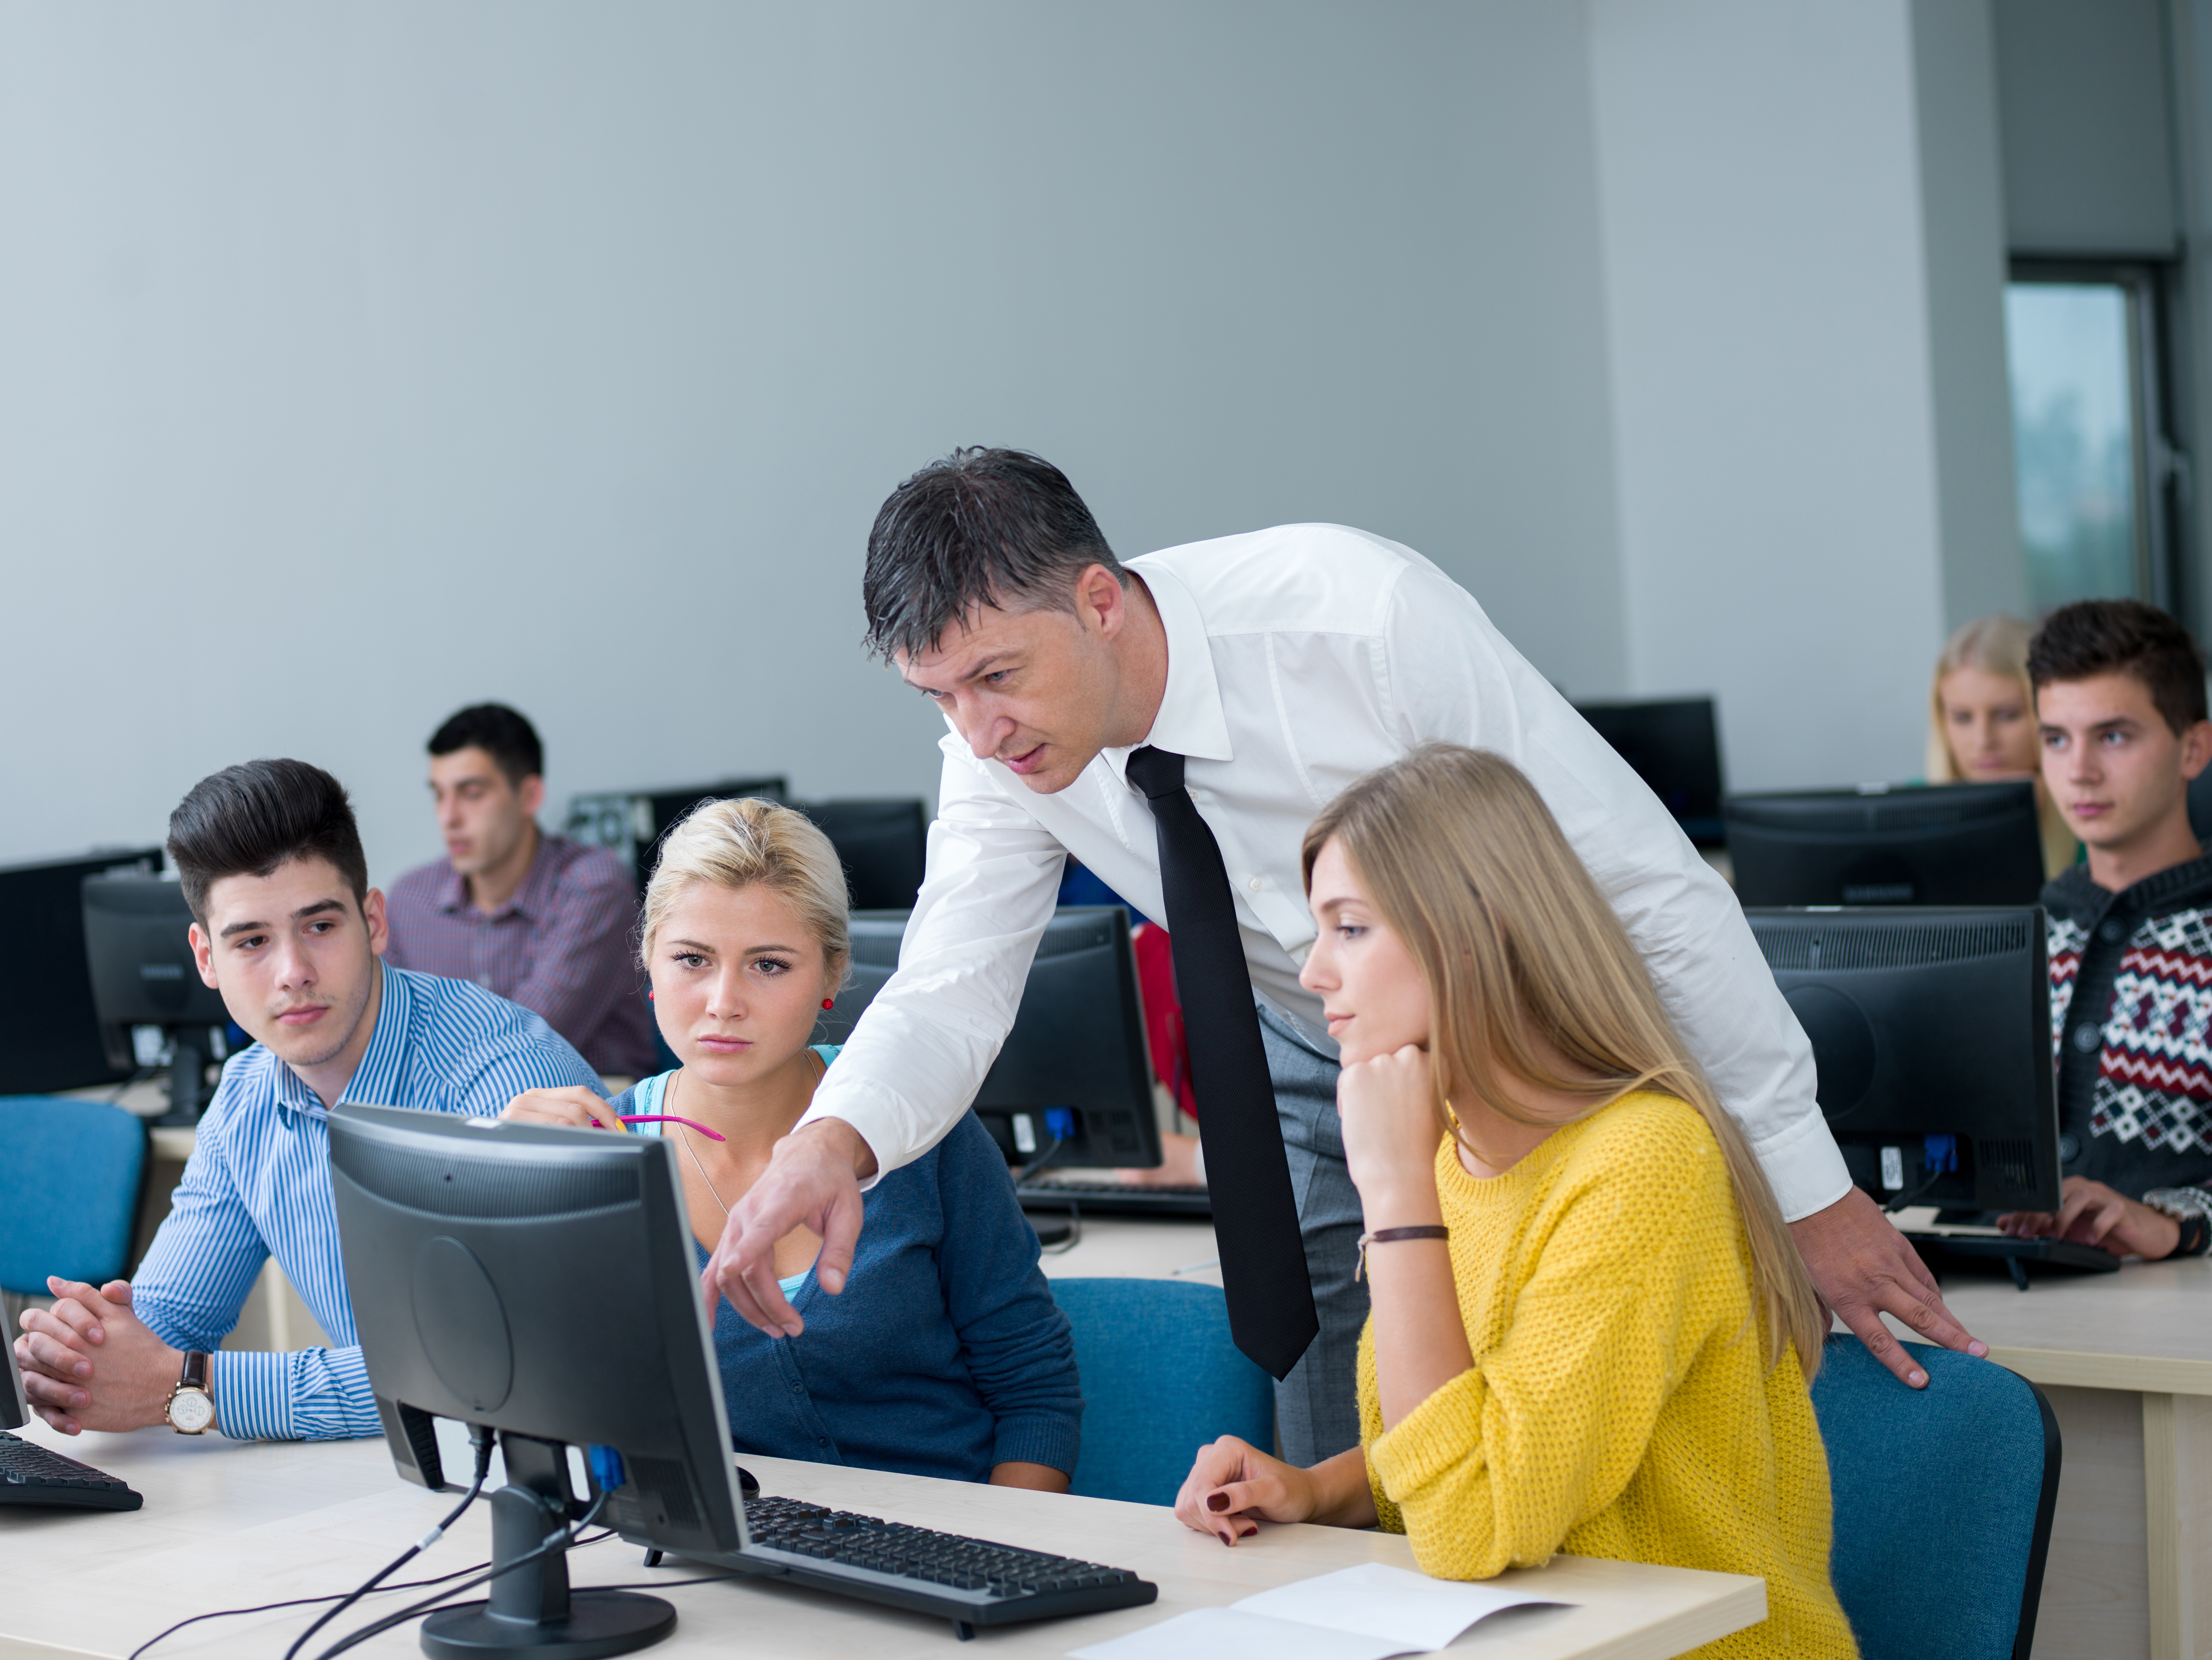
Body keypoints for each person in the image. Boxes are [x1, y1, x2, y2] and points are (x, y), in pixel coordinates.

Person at [708, 449, 1978, 1468]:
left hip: (1534, 1044)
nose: (976, 734)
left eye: (994, 677)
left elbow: (1642, 886)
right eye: (936, 698)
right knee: (1340, 1408)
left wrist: (1805, 1184)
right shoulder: (997, 749)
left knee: (1572, 1399)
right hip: (1306, 1052)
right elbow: (951, 979)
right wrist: (834, 1139)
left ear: (1098, 600)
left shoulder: (1356, 617)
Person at [1171, 748, 1854, 1660]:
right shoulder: (1457, 1146)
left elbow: (1470, 1523)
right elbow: (1471, 1434)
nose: (1315, 976)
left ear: (1470, 935)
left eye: (1351, 930)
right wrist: (1317, 1489)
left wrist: (1397, 1196)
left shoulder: (1644, 1163)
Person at [13, 759, 606, 1440]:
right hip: (411, 1486)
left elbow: (496, 1372)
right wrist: (79, 1357)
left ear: (374, 922)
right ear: (206, 959)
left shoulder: (504, 1082)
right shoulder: (244, 1101)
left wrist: (191, 1390)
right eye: (253, 941)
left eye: (319, 926)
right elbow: (162, 1330)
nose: (293, 972)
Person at [502, 798, 1080, 1488]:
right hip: (728, 1566)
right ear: (649, 962)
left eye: (769, 965)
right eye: (691, 958)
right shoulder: (598, 1156)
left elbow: (1034, 1391)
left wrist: (999, 1561)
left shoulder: (917, 1127)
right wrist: (509, 1200)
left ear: (833, 973)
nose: (723, 1001)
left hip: (949, 1549)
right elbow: (545, 1402)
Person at [1996, 600, 2212, 1258]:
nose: (2079, 769)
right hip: (2020, 1299)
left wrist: (2178, 1222)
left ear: (2193, 748)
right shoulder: (2019, 938)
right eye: (2056, 738)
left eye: (2113, 736)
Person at [385, 702, 654, 1077]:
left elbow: (526, 1041)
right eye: (439, 795)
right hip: (454, 1120)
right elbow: (386, 1038)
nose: (449, 817)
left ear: (529, 796)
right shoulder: (409, 901)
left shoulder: (592, 886)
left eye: (472, 793)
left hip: (594, 1120)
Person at [1926, 615, 2078, 879]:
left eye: (2008, 715)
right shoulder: (1910, 817)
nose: (1984, 740)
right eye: (1962, 718)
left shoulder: (2095, 820)